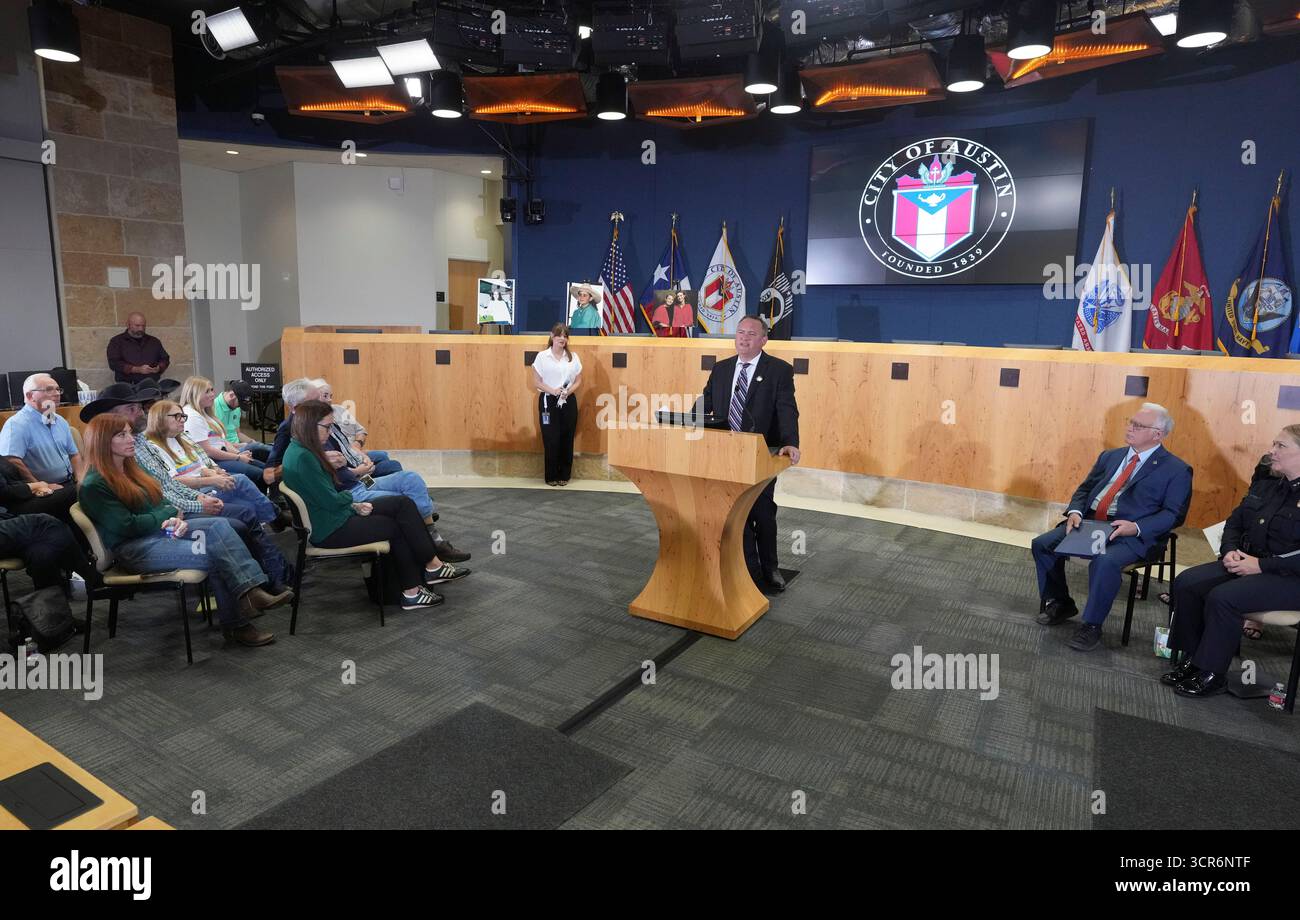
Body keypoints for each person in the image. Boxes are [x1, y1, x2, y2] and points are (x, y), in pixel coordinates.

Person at [76, 414, 289, 648]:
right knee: (214, 553)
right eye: (121, 435)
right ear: (103, 442)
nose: (131, 439)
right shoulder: (94, 485)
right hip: (135, 549)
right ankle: (238, 623)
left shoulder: (131, 469)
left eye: (128, 432)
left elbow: (163, 500)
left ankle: (250, 590)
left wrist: (171, 517)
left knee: (219, 525)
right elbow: (128, 526)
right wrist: (166, 516)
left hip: (161, 534)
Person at [81, 388, 293, 592]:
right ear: (107, 428)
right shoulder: (110, 472)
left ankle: (263, 583)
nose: (140, 412)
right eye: (131, 409)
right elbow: (135, 519)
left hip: (168, 519)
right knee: (232, 525)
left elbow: (164, 489)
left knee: (240, 508)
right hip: (146, 539)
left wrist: (194, 497)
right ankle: (265, 582)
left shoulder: (137, 453)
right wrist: (180, 509)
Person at [1031, 403, 1193, 651]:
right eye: (1131, 422)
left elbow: (1173, 515)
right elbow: (1085, 489)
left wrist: (1136, 527)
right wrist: (1075, 511)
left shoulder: (1177, 470)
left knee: (1104, 561)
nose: (1130, 428)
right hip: (1092, 523)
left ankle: (1092, 625)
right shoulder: (1111, 456)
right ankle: (1062, 603)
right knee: (1042, 544)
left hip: (1132, 533)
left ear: (1157, 434)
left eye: (1138, 426)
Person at [280, 400, 468, 611]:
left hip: (331, 517)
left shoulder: (300, 451)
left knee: (402, 505)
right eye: (327, 426)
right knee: (396, 523)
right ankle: (417, 585)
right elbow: (331, 500)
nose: (330, 431)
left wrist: (351, 503)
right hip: (330, 528)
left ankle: (425, 575)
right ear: (310, 426)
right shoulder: (305, 458)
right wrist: (353, 503)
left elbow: (327, 497)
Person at [1161, 426, 1300, 698]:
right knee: (1186, 583)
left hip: (1289, 578)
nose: (1272, 451)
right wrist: (1230, 551)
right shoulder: (1268, 484)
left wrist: (1261, 566)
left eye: (1281, 446)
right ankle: (1193, 659)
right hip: (1249, 562)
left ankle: (1212, 673)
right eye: (1273, 443)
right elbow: (1235, 522)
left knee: (1223, 597)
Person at [269, 379, 469, 562]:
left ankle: (431, 538)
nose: (325, 402)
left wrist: (357, 452)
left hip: (354, 479)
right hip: (346, 490)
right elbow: (271, 474)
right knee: (404, 502)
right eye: (319, 399)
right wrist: (322, 461)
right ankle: (428, 551)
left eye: (325, 397)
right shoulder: (295, 435)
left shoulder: (325, 419)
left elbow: (357, 434)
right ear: (297, 409)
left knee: (409, 478)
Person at [700, 314, 801, 593]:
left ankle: (770, 568)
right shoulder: (721, 369)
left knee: (763, 513)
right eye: (740, 332)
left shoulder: (778, 370)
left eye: (751, 334)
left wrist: (791, 441)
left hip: (759, 453)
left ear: (764, 339)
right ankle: (745, 567)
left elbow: (786, 409)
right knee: (733, 514)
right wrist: (683, 423)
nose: (743, 338)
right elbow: (704, 404)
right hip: (724, 453)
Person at [178, 376, 268, 487]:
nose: (212, 394)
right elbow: (208, 451)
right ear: (195, 394)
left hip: (223, 454)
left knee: (265, 467)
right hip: (213, 461)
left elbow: (222, 441)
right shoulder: (192, 415)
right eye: (207, 391)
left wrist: (238, 453)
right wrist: (238, 457)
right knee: (260, 473)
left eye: (212, 390)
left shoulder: (205, 412)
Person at [0, 374, 84, 487]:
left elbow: (74, 454)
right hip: (41, 490)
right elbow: (11, 460)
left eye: (58, 389)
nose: (57, 393)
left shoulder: (60, 421)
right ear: (30, 396)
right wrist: (40, 486)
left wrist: (80, 479)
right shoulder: (16, 424)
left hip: (69, 482)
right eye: (49, 389)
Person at [312, 378, 400, 476]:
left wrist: (358, 444)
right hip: (349, 460)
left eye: (331, 396)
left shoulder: (340, 410)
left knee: (383, 457)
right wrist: (358, 469)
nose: (329, 399)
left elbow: (361, 431)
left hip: (353, 452)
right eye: (325, 396)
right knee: (392, 465)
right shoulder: (319, 426)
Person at [531, 323, 582, 487]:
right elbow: (536, 381)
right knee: (551, 438)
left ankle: (564, 475)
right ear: (552, 336)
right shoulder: (542, 356)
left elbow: (579, 380)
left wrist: (568, 391)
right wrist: (552, 391)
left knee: (567, 438)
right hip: (549, 401)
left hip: (568, 400)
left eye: (565, 336)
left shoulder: (573, 357)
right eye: (559, 335)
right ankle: (551, 475)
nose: (562, 338)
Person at [0, 454, 76, 524]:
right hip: (12, 508)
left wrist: (39, 488)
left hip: (23, 496)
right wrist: (38, 485)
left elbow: (13, 482)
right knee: (75, 492)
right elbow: (5, 492)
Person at [213, 381, 271, 463]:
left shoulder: (236, 408)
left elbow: (238, 433)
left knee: (265, 450)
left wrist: (252, 441)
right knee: (262, 451)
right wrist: (244, 446)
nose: (239, 407)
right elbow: (217, 444)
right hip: (226, 450)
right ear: (232, 395)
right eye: (239, 403)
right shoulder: (212, 409)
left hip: (238, 447)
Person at [106, 312, 170, 384]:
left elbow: (165, 359)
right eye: (137, 325)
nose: (141, 329)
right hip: (126, 387)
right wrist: (136, 369)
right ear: (128, 325)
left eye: (143, 326)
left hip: (150, 386)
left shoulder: (154, 341)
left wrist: (159, 368)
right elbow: (114, 363)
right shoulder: (116, 341)